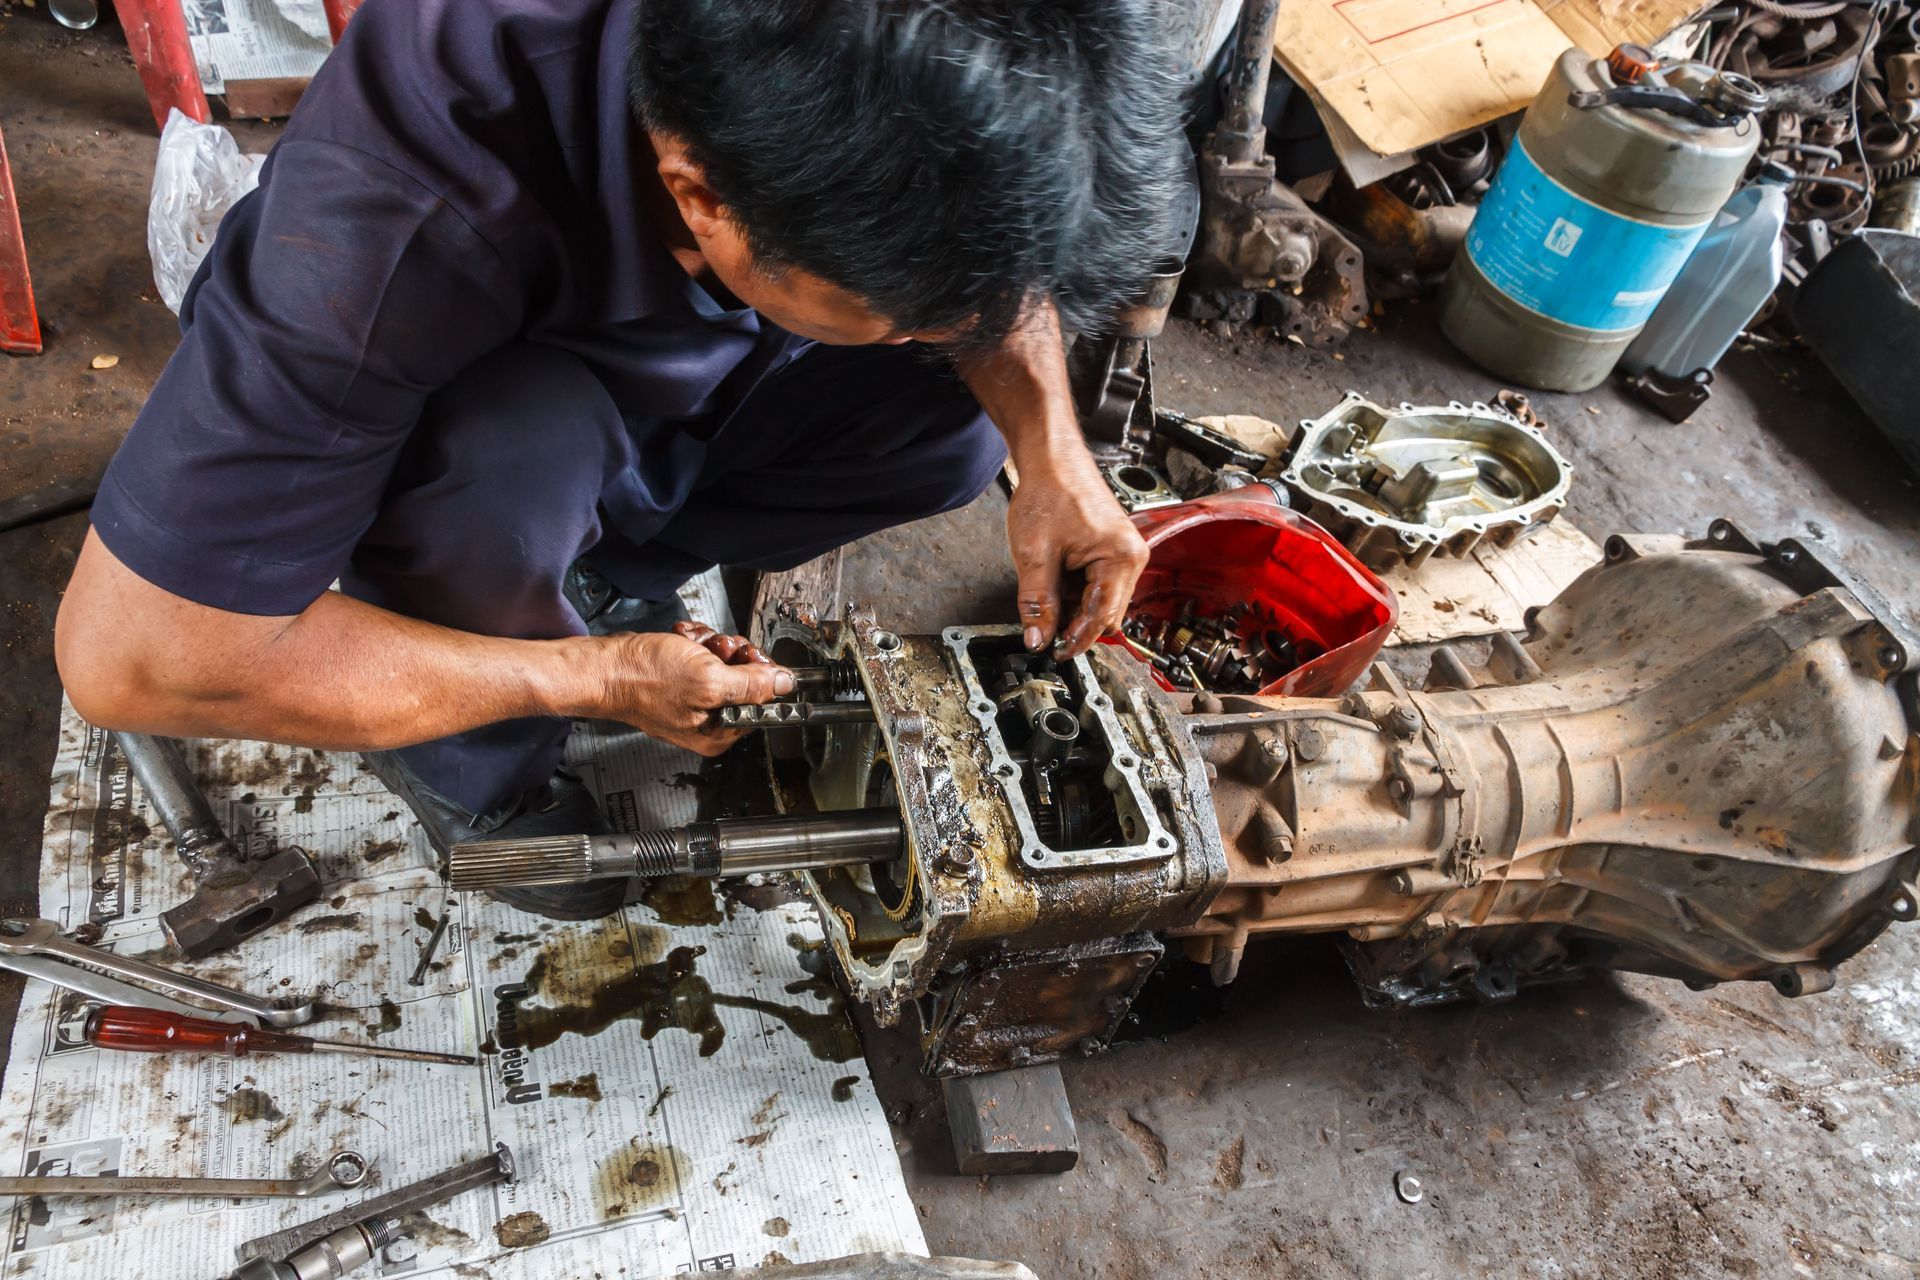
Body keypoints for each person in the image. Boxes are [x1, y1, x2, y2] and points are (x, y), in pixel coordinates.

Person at [53, 0, 1185, 919]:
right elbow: (133, 657)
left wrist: (1050, 449)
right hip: (485, 389)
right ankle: (474, 760)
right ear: (703, 196)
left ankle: (610, 572)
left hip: (706, 311)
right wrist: (585, 677)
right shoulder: (390, 230)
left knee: (950, 425)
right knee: (510, 467)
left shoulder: (852, 103)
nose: (959, 328)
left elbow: (987, 269)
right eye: (906, 307)